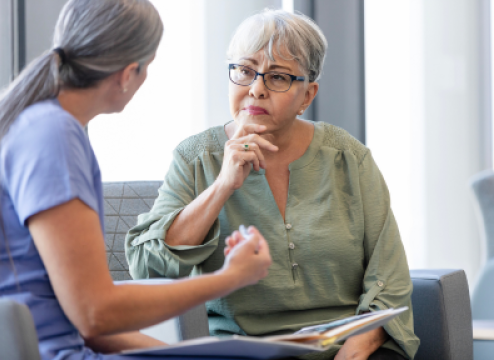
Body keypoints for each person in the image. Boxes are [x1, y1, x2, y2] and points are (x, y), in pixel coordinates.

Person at [126, 9, 420, 360]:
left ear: (307, 96)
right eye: (245, 71)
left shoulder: (348, 158)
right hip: (245, 352)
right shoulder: (195, 158)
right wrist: (222, 185)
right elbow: (147, 268)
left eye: (278, 77)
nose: (256, 89)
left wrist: (357, 350)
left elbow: (390, 276)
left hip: (349, 348)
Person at [0, 1, 272, 359]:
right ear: (128, 74)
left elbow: (87, 322)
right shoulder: (54, 136)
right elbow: (96, 313)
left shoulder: (34, 125)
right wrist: (230, 278)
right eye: (148, 69)